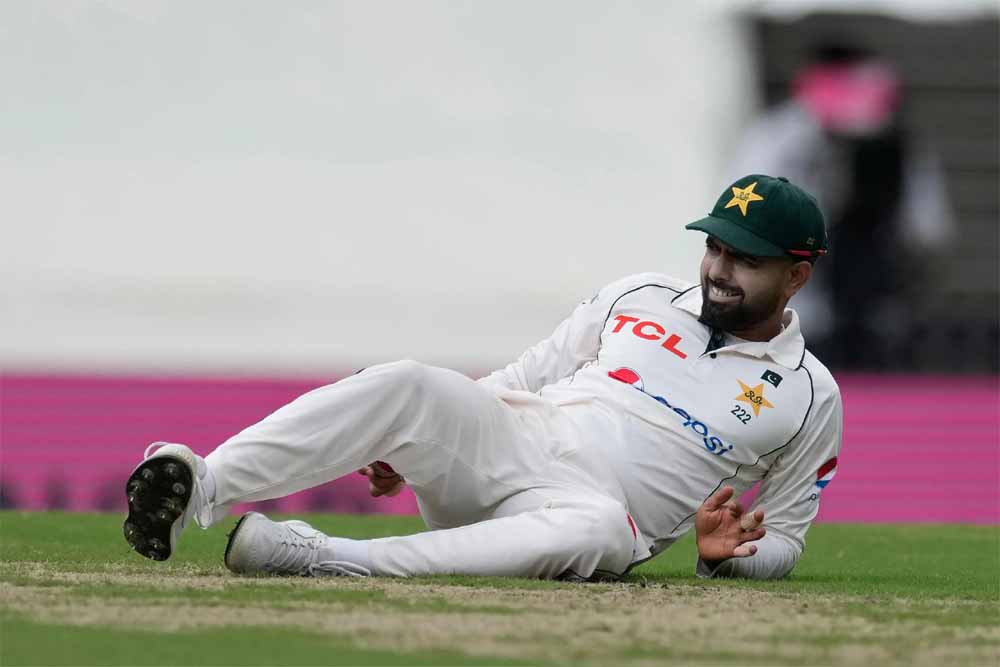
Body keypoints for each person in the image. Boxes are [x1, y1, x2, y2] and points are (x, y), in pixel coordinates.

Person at [123, 174, 842, 581]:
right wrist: (426, 438)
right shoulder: (640, 294)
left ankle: (324, 556)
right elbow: (522, 376)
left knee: (599, 530)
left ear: (796, 276)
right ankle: (200, 488)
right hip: (516, 440)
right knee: (410, 381)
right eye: (715, 248)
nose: (719, 270)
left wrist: (729, 557)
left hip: (582, 513)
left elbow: (785, 538)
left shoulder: (811, 396)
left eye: (746, 260)